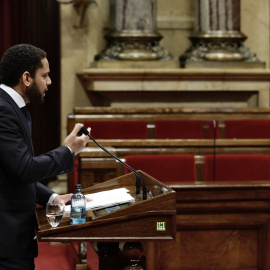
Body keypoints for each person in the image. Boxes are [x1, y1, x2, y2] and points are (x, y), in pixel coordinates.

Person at [0, 44, 90, 270]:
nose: (49, 82)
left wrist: (52, 198)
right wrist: (68, 150)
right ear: (27, 78)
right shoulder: (3, 110)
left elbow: (11, 171)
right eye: (45, 75)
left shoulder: (13, 107)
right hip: (6, 239)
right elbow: (25, 169)